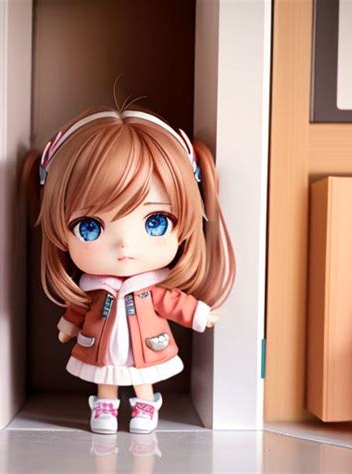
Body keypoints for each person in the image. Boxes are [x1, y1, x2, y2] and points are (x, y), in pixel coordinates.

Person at [23, 102, 235, 434]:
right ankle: (105, 405)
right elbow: (79, 309)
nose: (124, 246)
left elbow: (173, 303)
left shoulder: (152, 288)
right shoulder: (93, 287)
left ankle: (145, 405)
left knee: (141, 375)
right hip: (101, 345)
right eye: (90, 227)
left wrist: (199, 314)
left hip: (147, 346)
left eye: (155, 222)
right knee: (106, 375)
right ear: (61, 233)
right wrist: (68, 326)